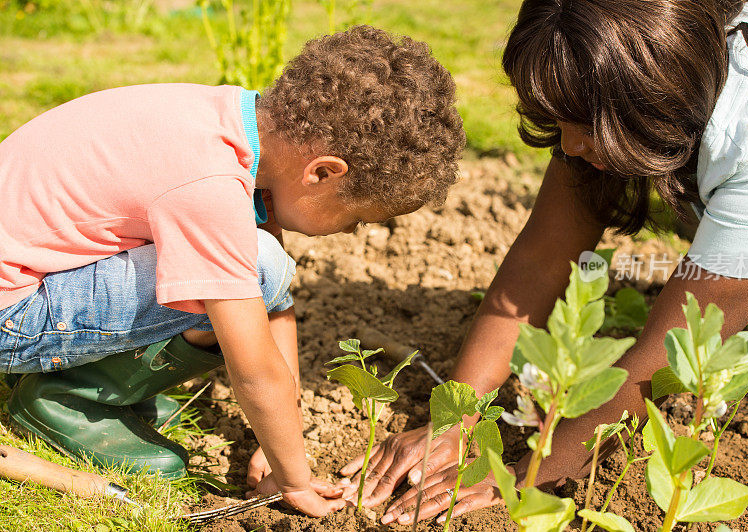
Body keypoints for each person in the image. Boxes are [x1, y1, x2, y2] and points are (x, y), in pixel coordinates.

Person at [339, 0, 748, 525]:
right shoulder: (616, 73)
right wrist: (457, 417)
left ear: (655, 100)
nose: (568, 145)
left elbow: (678, 345)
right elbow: (543, 257)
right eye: (560, 120)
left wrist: (535, 474)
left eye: (582, 124)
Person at [0, 25, 465, 517]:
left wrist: (287, 430)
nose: (349, 233)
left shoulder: (239, 125)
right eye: (355, 218)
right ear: (324, 172)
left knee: (258, 266)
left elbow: (274, 303)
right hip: (10, 315)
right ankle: (67, 399)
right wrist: (296, 480)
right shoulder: (210, 188)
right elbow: (256, 369)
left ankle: (102, 376)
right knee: (254, 265)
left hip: (33, 272)